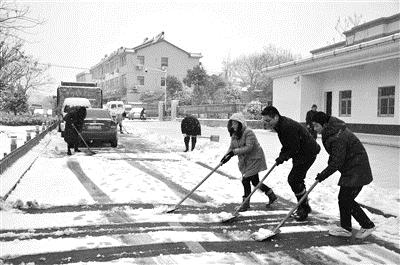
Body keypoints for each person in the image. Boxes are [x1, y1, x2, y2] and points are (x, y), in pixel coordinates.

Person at [311, 111, 376, 239]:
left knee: (346, 199)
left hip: (357, 169)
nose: (314, 128)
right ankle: (346, 228)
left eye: (316, 125)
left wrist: (323, 175)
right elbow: (336, 156)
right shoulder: (333, 131)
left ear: (324, 124)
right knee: (344, 198)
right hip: (353, 168)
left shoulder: (337, 136)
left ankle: (367, 225)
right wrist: (329, 166)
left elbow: (337, 161)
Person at [261, 106, 320, 221]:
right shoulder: (279, 125)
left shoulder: (287, 126)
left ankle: (304, 208)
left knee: (294, 179)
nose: (266, 123)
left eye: (268, 120)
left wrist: (283, 157)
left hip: (307, 152)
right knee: (296, 179)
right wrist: (281, 156)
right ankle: (304, 206)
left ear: (276, 117)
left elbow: (294, 147)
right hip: (301, 153)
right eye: (264, 121)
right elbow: (287, 145)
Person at [220, 112, 277, 212]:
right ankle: (271, 194)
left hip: (255, 159)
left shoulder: (248, 132)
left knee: (245, 180)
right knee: (255, 182)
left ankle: (245, 204)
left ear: (240, 123)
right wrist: (225, 157)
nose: (233, 125)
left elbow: (249, 147)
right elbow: (232, 147)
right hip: (246, 160)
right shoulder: (234, 134)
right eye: (232, 123)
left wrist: (234, 152)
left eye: (235, 123)